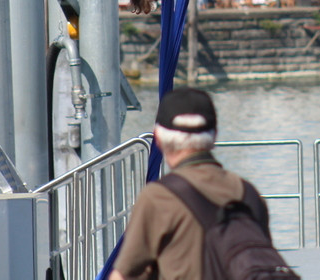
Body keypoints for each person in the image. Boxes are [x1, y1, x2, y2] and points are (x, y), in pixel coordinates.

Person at [109, 87, 271, 280]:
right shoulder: (249, 193)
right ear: (214, 136)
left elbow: (125, 274)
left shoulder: (158, 197)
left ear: (158, 139)